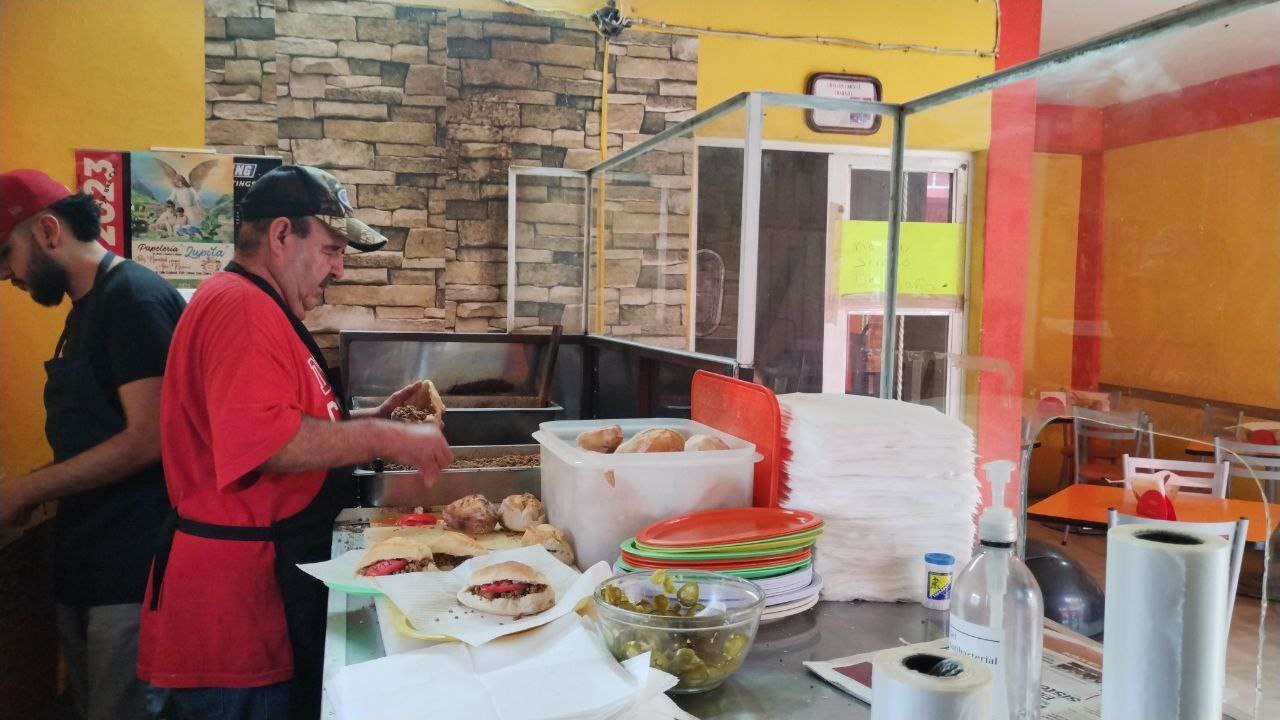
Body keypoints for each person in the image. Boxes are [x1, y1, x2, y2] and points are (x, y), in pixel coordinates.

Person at [137, 165, 452, 720]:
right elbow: (267, 443)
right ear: (282, 235)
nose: (339, 267)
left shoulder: (260, 305)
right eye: (331, 248)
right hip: (233, 621)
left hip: (257, 594)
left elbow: (282, 417)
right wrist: (385, 435)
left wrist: (369, 416)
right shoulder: (241, 308)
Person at [0, 169, 185, 720]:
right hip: (88, 561)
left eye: (7, 253)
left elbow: (148, 437)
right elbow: (97, 432)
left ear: (49, 231)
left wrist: (24, 488)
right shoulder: (85, 309)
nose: (6, 275)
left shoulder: (131, 297)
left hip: (130, 568)